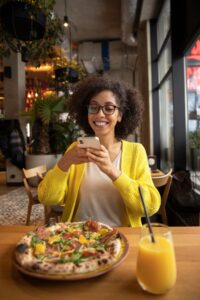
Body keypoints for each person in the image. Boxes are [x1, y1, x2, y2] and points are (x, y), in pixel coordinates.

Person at [38, 76, 160, 227]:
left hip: (121, 239)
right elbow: (47, 198)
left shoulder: (136, 152)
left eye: (109, 108)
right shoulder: (75, 150)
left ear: (120, 115)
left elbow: (150, 206)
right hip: (78, 237)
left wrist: (112, 171)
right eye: (93, 107)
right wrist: (65, 162)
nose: (100, 114)